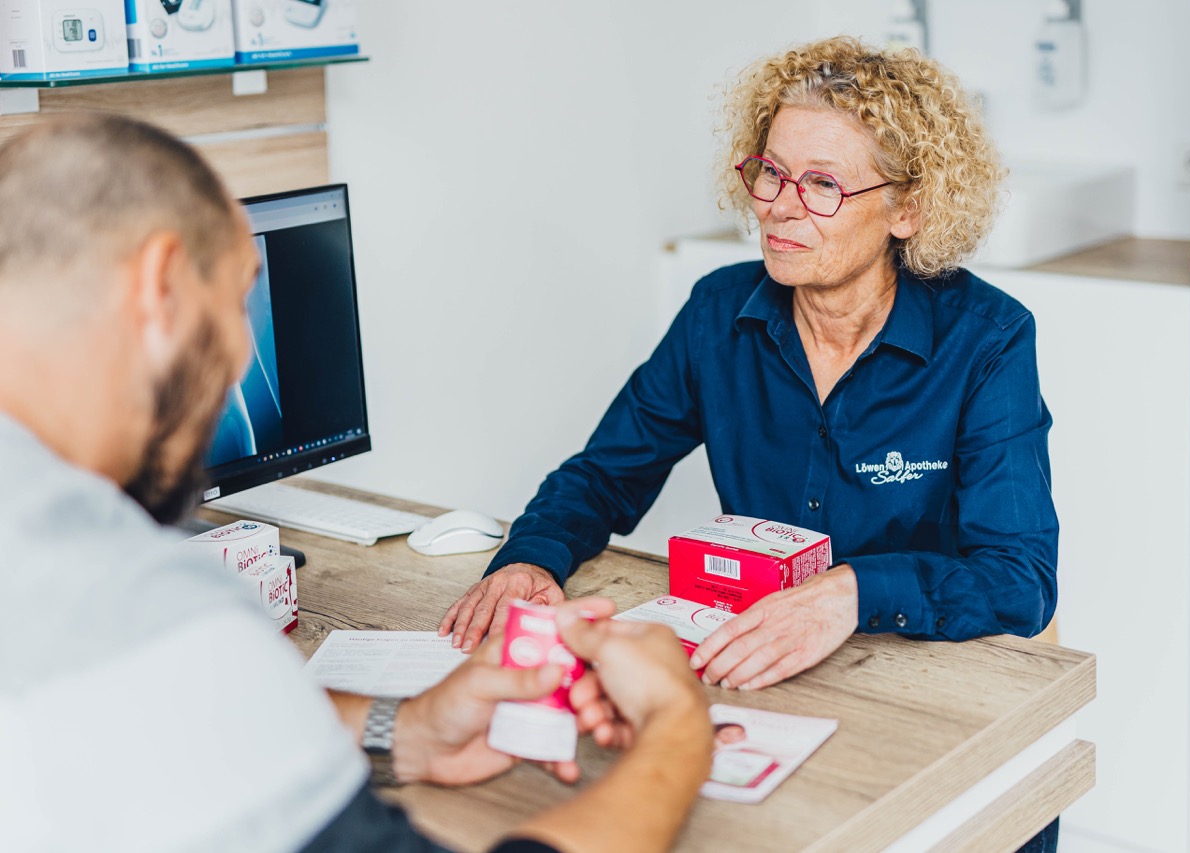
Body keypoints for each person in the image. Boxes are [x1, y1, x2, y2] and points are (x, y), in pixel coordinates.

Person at [0, 114, 712, 853]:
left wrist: (404, 730)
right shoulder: (133, 603)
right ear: (160, 287)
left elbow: (152, 716)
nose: (244, 352)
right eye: (241, 296)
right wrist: (677, 729)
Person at [440, 36, 1060, 850]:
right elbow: (605, 474)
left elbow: (1020, 578)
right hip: (772, 693)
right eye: (770, 171)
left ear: (907, 209)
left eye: (823, 184)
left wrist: (849, 592)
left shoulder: (987, 339)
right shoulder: (718, 313)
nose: (779, 206)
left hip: (938, 701)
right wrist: (532, 555)